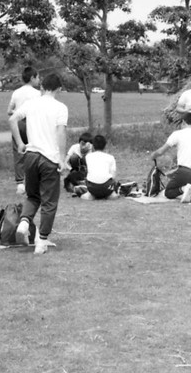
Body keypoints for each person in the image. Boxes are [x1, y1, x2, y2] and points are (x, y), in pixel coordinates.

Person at [9, 72, 69, 254]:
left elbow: (12, 119)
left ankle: (25, 222)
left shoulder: (31, 103)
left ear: (42, 87)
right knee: (49, 201)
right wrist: (62, 158)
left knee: (32, 196)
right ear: (59, 88)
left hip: (31, 156)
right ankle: (42, 241)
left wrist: (20, 143)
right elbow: (60, 133)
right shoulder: (60, 108)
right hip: (49, 158)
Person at [150, 112, 191, 203]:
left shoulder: (177, 134)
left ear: (184, 122)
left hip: (185, 173)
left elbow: (161, 151)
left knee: (168, 192)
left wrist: (153, 155)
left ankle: (184, 189)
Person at [7, 66, 40, 195]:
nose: (38, 80)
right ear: (32, 78)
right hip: (32, 124)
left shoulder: (16, 92)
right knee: (34, 151)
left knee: (18, 151)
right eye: (37, 77)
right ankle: (34, 180)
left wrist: (18, 112)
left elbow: (9, 111)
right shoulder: (37, 94)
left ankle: (20, 184)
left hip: (18, 124)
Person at [81, 134, 119, 200]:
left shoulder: (88, 157)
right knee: (112, 195)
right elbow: (113, 176)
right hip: (107, 187)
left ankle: (91, 194)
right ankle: (109, 194)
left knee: (86, 195)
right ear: (105, 145)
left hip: (92, 187)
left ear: (93, 145)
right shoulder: (111, 157)